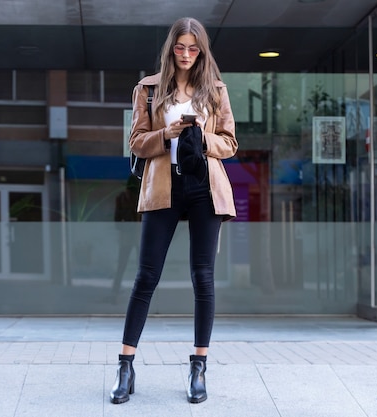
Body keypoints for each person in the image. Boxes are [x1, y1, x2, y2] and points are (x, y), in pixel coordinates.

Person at [110, 17, 237, 404]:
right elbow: (136, 142)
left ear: (201, 51)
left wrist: (200, 136)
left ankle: (198, 366)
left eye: (193, 48)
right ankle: (125, 366)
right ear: (171, 49)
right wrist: (166, 134)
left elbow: (231, 143)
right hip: (163, 185)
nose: (185, 54)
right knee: (146, 276)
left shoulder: (215, 90)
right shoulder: (148, 89)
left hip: (204, 188)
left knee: (203, 277)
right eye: (180, 47)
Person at [111, 175, 141, 298]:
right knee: (143, 266)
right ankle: (141, 293)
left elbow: (117, 220)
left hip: (127, 235)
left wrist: (126, 227)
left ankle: (115, 290)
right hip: (139, 234)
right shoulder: (141, 197)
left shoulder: (121, 197)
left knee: (121, 265)